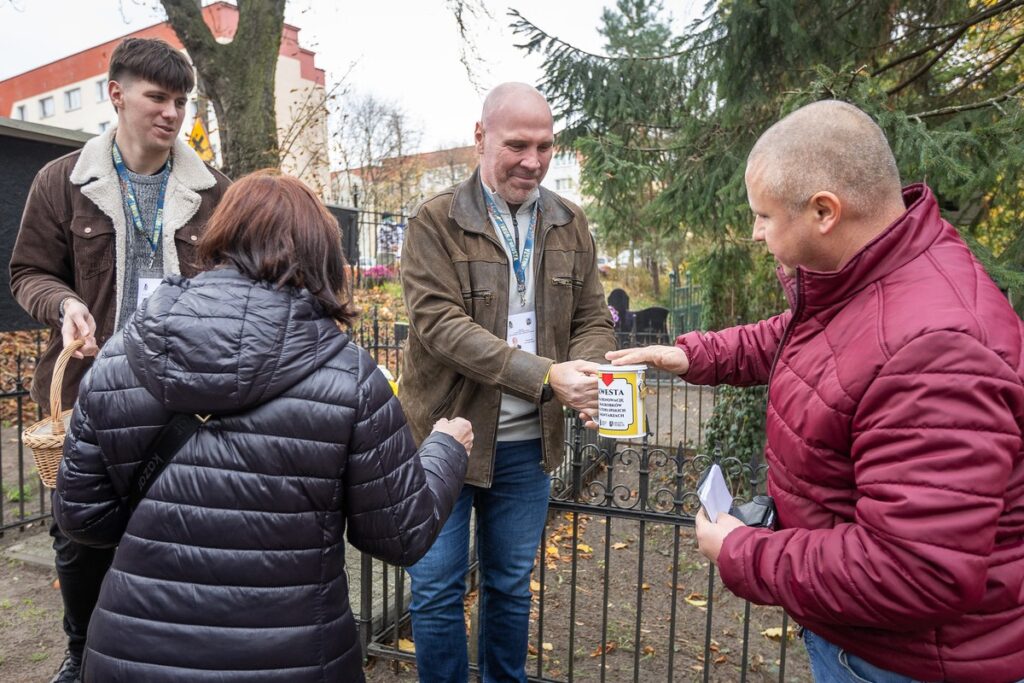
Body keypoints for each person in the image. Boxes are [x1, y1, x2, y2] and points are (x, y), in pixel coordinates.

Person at [608, 100, 1024, 683]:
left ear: (824, 210)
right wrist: (693, 354)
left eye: (764, 216)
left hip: (905, 664)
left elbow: (916, 570)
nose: (755, 233)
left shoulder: (939, 350)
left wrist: (741, 553)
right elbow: (815, 344)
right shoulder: (880, 276)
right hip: (867, 643)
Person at [52, 170, 473, 682]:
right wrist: (446, 449)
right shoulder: (349, 378)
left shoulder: (119, 360)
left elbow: (81, 518)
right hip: (296, 657)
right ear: (320, 256)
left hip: (133, 654)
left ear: (220, 237)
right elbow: (399, 535)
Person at [9, 37, 231, 683]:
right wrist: (64, 303)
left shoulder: (215, 190)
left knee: (178, 537)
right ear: (116, 94)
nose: (172, 112)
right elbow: (27, 271)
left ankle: (166, 657)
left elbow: (237, 283)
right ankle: (83, 654)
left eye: (182, 100)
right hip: (89, 391)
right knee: (79, 537)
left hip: (183, 400)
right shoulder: (61, 181)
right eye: (157, 97)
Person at [398, 82, 615, 682]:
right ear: (480, 137)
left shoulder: (570, 222)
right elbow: (441, 326)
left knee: (510, 586)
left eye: (545, 146)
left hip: (528, 447)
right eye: (517, 144)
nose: (534, 160)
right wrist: (548, 376)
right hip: (445, 438)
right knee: (437, 589)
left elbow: (593, 317)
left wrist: (588, 369)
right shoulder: (435, 221)